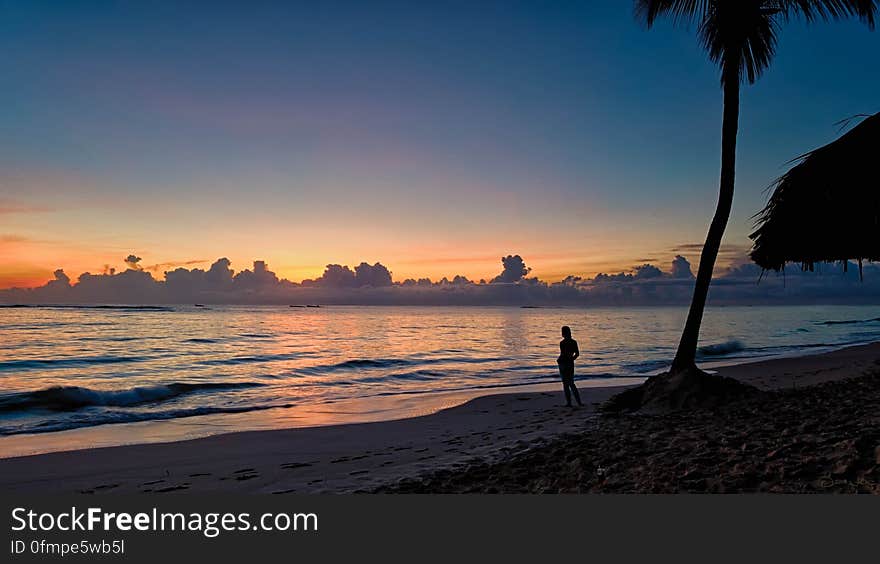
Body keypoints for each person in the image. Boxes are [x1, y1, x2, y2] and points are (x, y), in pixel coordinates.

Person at [557, 325, 582, 407]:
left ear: (563, 333)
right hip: (569, 363)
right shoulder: (574, 342)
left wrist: (564, 360)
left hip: (563, 363)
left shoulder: (562, 343)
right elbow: (577, 354)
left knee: (566, 384)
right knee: (571, 383)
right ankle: (578, 402)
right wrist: (572, 359)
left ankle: (569, 403)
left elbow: (562, 354)